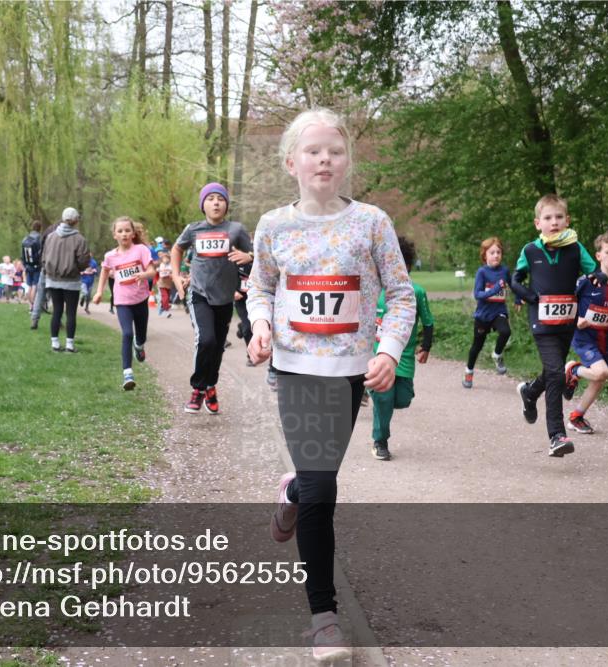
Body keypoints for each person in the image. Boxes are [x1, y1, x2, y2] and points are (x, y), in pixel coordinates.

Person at [246, 109, 415, 661]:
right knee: (324, 491)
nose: (324, 159)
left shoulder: (371, 222)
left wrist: (388, 351)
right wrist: (261, 325)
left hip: (350, 371)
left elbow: (401, 294)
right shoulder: (274, 225)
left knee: (316, 481)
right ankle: (325, 619)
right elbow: (260, 287)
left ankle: (292, 491)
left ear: (347, 162)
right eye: (313, 151)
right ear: (290, 162)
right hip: (296, 369)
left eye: (335, 151)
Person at [510, 194, 605, 457]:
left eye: (559, 217)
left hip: (566, 322)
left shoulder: (575, 248)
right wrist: (530, 296)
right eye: (548, 218)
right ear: (537, 223)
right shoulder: (530, 250)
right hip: (541, 321)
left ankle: (530, 392)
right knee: (555, 372)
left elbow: (593, 271)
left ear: (567, 220)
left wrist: (597, 278)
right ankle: (557, 435)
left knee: (552, 371)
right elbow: (515, 279)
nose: (554, 222)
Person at [171, 182, 254, 414]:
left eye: (220, 199)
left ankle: (210, 386)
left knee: (217, 346)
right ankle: (198, 389)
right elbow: (177, 249)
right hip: (199, 294)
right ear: (203, 205)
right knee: (206, 340)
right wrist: (176, 277)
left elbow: (254, 253)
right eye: (210, 199)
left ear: (226, 205)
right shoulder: (193, 229)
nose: (216, 203)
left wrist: (248, 256)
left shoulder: (236, 229)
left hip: (225, 298)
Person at [370, 236, 434, 461]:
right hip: (378, 356)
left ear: (406, 265)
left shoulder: (416, 292)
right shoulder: (373, 291)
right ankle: (380, 441)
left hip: (404, 357)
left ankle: (377, 397)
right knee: (384, 397)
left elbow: (428, 322)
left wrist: (425, 346)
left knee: (402, 399)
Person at [562, 231, 608, 434]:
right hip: (582, 336)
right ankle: (573, 370)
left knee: (600, 379)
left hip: (603, 338)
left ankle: (576, 417)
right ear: (599, 256)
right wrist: (576, 319)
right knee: (602, 372)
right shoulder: (586, 281)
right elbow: (567, 302)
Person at [94, 217, 155, 389]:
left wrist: (144, 275)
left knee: (141, 335)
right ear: (114, 235)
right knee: (127, 333)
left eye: (127, 230)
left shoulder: (141, 250)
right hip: (122, 301)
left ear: (133, 233)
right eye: (120, 231)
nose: (124, 234)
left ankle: (139, 345)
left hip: (141, 299)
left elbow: (152, 271)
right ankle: (127, 374)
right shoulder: (110, 256)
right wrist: (99, 292)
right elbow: (104, 272)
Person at [463, 237, 511, 388]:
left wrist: (518, 299)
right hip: (483, 315)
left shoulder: (504, 271)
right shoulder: (482, 272)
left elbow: (513, 285)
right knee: (477, 346)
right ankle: (469, 372)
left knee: (506, 332)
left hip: (499, 312)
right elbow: (478, 294)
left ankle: (497, 355)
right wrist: (495, 289)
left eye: (498, 252)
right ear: (485, 255)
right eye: (492, 253)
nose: (496, 255)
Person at [42, 207, 91, 352]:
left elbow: (44, 257)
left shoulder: (50, 237)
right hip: (71, 281)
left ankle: (55, 343)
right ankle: (69, 345)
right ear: (76, 221)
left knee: (57, 311)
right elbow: (83, 261)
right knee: (71, 313)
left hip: (52, 279)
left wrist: (48, 270)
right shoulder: (79, 239)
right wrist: (78, 268)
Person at [22, 221, 43, 311]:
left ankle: (30, 305)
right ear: (40, 228)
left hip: (28, 265)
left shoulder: (25, 239)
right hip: (36, 266)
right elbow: (40, 253)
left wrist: (25, 264)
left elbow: (23, 254)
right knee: (35, 285)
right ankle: (33, 304)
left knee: (29, 285)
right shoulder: (39, 239)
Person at [156, 251, 175, 317]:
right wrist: (166, 271)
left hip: (168, 284)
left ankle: (161, 309)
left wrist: (170, 272)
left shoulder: (170, 265)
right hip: (162, 284)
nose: (166, 260)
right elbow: (160, 273)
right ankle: (165, 310)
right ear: (162, 259)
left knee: (167, 297)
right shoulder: (161, 265)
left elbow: (173, 271)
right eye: (164, 258)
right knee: (165, 297)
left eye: (167, 258)